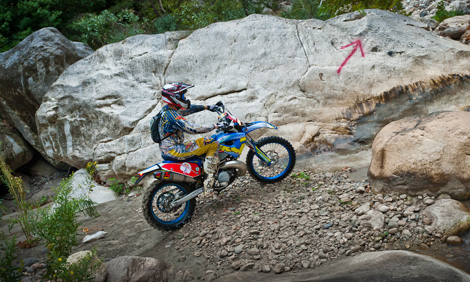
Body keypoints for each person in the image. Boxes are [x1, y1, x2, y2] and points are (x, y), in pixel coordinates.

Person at [156, 82, 220, 191]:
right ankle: (210, 183)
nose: (184, 98)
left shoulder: (168, 111)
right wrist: (214, 126)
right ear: (174, 97)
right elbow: (192, 128)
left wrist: (207, 107)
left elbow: (189, 109)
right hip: (174, 151)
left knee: (201, 144)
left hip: (168, 150)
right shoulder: (172, 116)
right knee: (213, 143)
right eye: (182, 96)